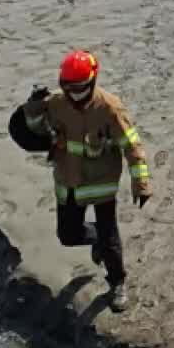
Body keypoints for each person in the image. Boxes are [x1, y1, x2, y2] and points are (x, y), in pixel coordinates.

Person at [21, 50, 153, 312]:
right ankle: (95, 240)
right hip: (68, 182)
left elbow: (132, 146)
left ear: (93, 80)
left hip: (102, 183)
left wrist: (141, 183)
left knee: (110, 237)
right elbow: (35, 130)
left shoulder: (110, 108)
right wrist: (33, 107)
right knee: (68, 235)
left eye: (79, 88)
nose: (74, 94)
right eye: (68, 87)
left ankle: (117, 283)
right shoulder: (56, 104)